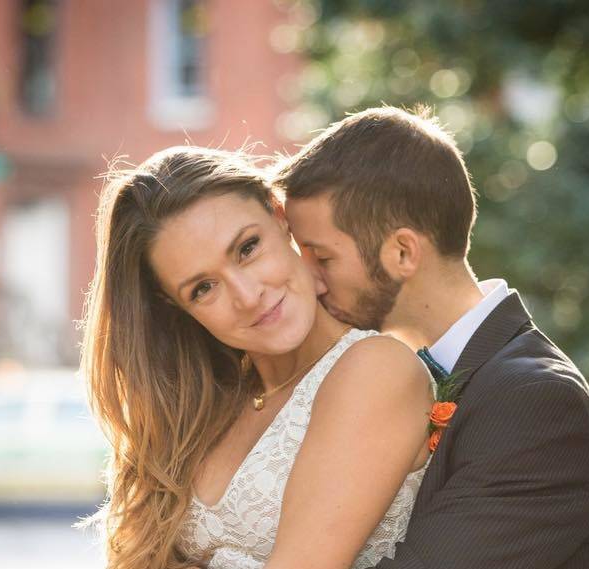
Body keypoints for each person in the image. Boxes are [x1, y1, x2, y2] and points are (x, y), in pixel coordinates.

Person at [273, 105, 589, 569]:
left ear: (402, 251)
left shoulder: (537, 402)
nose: (310, 281)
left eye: (322, 258)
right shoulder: (386, 377)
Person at [80, 146, 434, 569]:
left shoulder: (375, 369)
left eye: (247, 248)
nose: (248, 297)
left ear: (279, 215)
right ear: (175, 306)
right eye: (203, 288)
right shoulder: (203, 408)